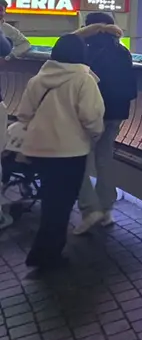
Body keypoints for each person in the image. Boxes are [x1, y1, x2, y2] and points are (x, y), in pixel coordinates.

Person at [13, 34, 103, 271]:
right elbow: (91, 117)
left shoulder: (39, 78)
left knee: (51, 201)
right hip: (71, 151)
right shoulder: (84, 80)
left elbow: (24, 114)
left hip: (39, 150)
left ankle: (44, 252)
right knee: (61, 206)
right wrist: (95, 134)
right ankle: (46, 255)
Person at [72, 13, 137, 235]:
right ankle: (107, 209)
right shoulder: (122, 51)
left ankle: (90, 210)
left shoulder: (84, 49)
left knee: (77, 159)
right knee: (104, 159)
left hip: (91, 113)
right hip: (116, 113)